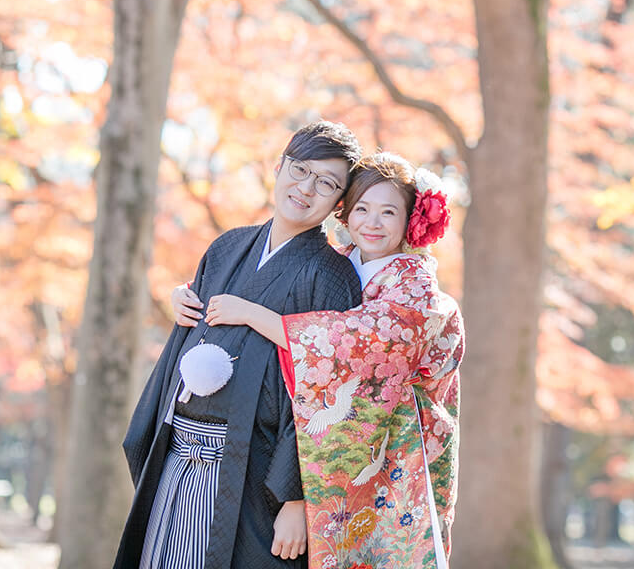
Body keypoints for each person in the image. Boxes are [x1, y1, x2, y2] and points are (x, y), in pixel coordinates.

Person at [176, 152, 464, 569]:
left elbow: (344, 344)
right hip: (330, 441)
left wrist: (250, 314)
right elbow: (269, 287)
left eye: (388, 212)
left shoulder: (416, 289)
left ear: (411, 221)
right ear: (344, 211)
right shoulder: (340, 261)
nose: (373, 222)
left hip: (395, 447)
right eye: (362, 208)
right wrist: (185, 294)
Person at [114, 121, 364, 569]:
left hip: (257, 473)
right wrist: (181, 305)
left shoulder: (331, 276)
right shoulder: (228, 247)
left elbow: (326, 390)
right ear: (279, 166)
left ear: (339, 203)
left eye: (326, 184)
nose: (306, 189)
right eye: (300, 170)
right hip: (180, 455)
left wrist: (297, 498)